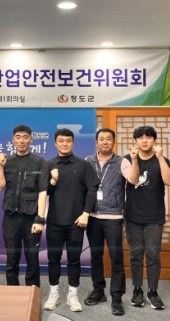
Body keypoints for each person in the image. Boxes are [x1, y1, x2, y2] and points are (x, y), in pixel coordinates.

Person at [44, 128, 100, 313]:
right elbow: (44, 192)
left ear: (73, 143)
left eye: (68, 141)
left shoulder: (83, 164)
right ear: (55, 143)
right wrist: (52, 181)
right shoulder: (49, 164)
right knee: (53, 259)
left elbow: (92, 189)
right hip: (54, 221)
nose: (65, 144)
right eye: (61, 141)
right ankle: (54, 294)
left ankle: (72, 295)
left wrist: (86, 213)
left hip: (76, 221)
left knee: (74, 260)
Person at [121, 126, 170, 310]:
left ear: (154, 140)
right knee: (135, 254)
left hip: (154, 217)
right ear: (135, 140)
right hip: (132, 215)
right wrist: (135, 160)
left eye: (148, 137)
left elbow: (169, 181)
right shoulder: (128, 159)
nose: (144, 140)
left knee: (153, 254)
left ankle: (153, 291)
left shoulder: (162, 159)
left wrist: (160, 158)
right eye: (141, 137)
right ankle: (137, 289)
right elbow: (132, 181)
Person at [0, 124, 49, 287]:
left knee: (32, 258)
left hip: (31, 218)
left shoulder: (39, 162)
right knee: (12, 258)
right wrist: (1, 166)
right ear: (13, 140)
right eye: (18, 137)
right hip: (11, 217)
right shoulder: (7, 161)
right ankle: (12, 292)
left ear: (31, 140)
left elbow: (43, 192)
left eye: (25, 137)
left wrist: (40, 219)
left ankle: (33, 291)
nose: (22, 140)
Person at [83, 128, 126, 316]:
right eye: (102, 139)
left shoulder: (122, 161)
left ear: (114, 142)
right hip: (93, 217)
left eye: (109, 139)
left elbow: (133, 180)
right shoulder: (87, 161)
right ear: (96, 142)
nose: (105, 142)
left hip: (114, 217)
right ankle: (98, 290)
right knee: (95, 256)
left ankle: (117, 297)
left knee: (116, 258)